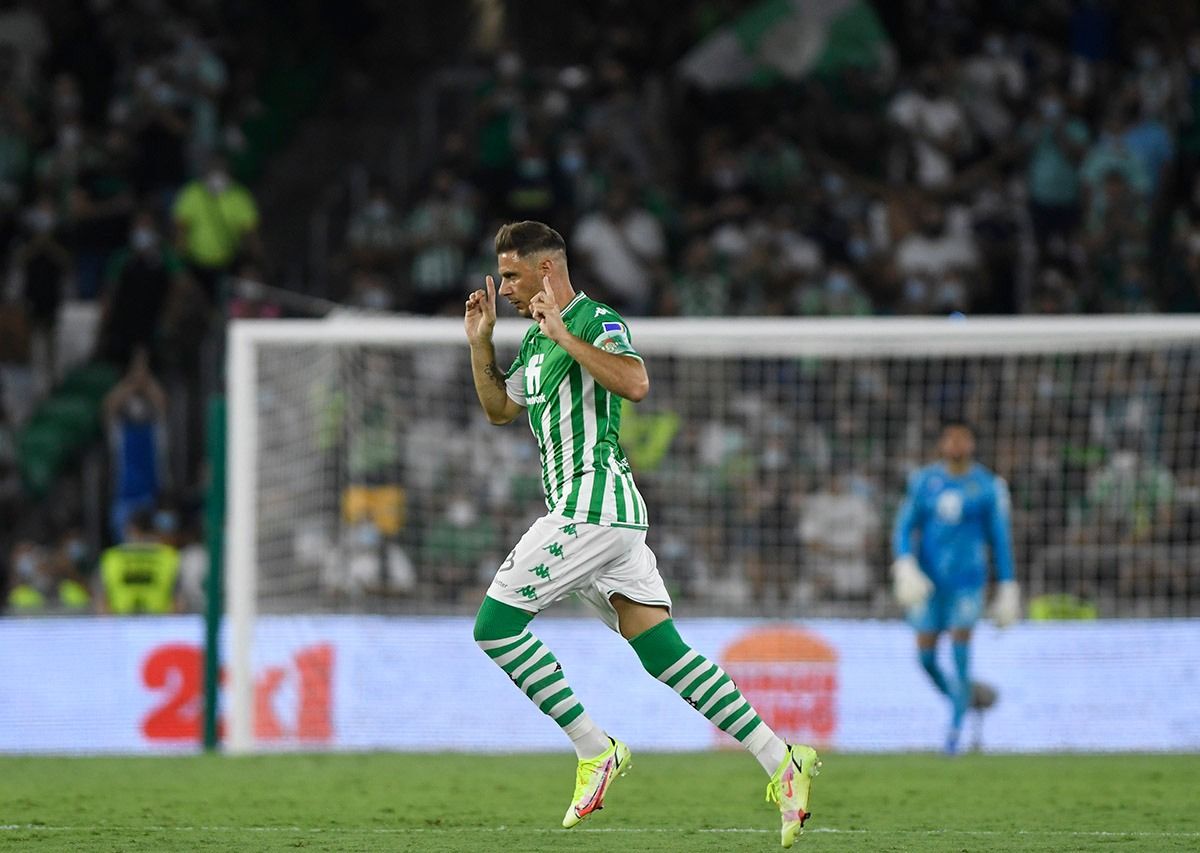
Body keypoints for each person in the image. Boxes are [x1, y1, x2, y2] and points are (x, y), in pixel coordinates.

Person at [463, 221, 820, 848]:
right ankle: (782, 759)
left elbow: (635, 383)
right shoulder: (537, 344)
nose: (505, 288)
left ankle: (595, 750)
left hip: (591, 507)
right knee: (665, 655)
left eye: (513, 275)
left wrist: (565, 334)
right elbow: (501, 410)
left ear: (547, 270)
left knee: (494, 626)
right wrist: (480, 344)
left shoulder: (596, 321)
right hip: (608, 519)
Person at [891, 421, 1020, 754]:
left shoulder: (986, 486)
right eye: (951, 437)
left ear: (972, 443)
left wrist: (1007, 585)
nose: (957, 443)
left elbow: (999, 538)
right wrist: (905, 563)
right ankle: (962, 700)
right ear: (942, 444)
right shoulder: (925, 482)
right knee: (925, 656)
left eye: (963, 437)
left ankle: (954, 732)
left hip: (968, 583)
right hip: (930, 584)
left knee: (961, 648)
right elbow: (904, 526)